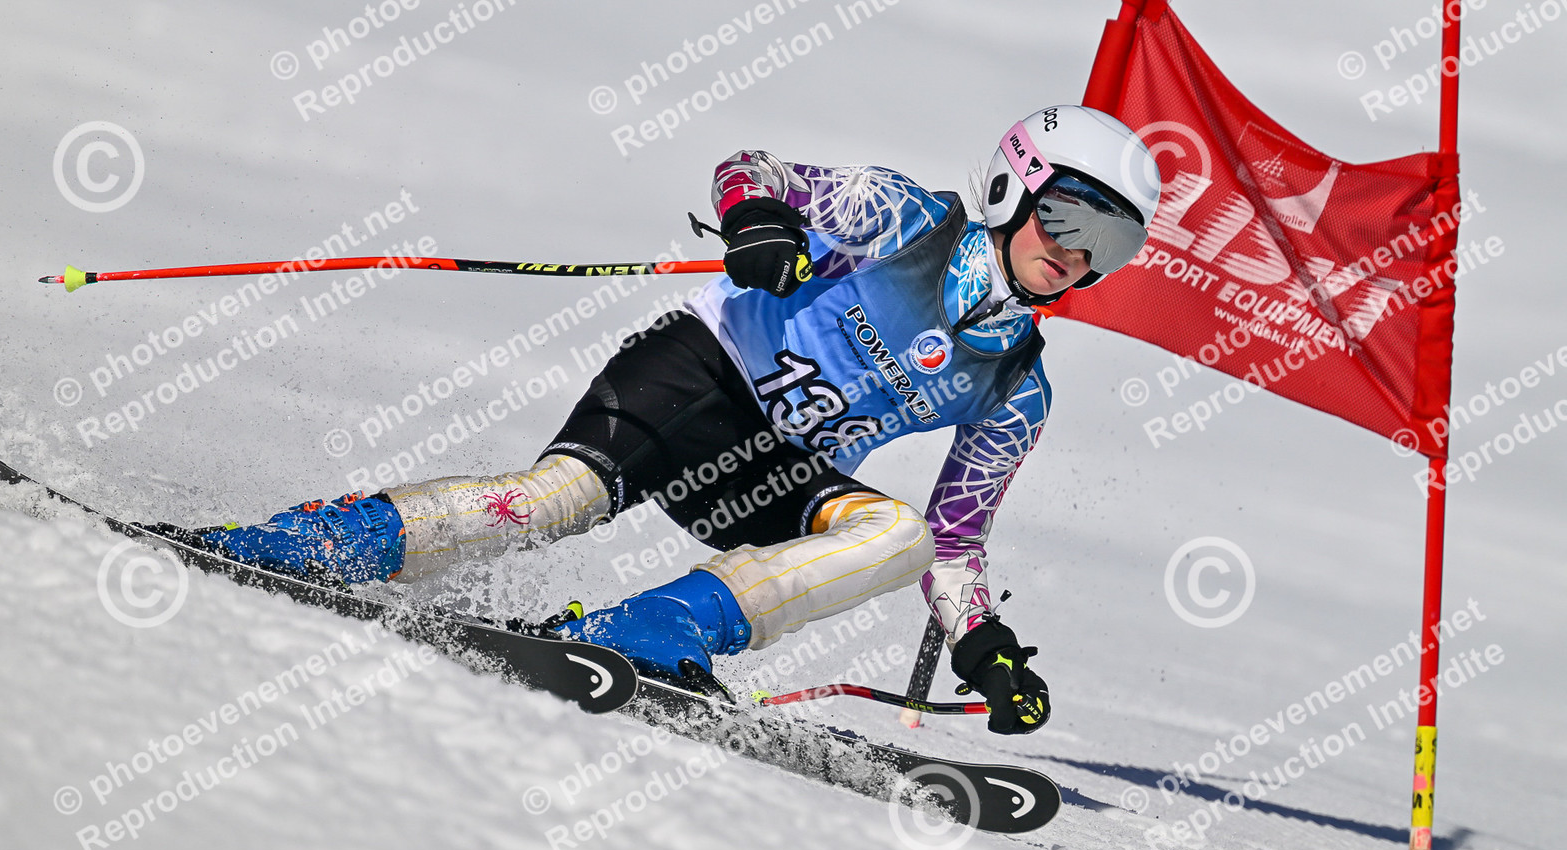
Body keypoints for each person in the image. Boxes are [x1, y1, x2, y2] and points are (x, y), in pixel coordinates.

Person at [196, 104, 1160, 736]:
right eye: (1069, 217)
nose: (1078, 256)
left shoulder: (1018, 388)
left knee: (899, 533)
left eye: (1110, 243)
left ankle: (655, 630)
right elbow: (752, 167)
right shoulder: (908, 217)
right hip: (698, 376)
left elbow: (953, 543)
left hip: (773, 473)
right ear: (1015, 184)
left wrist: (980, 644)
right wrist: (758, 221)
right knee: (554, 501)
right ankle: (320, 540)